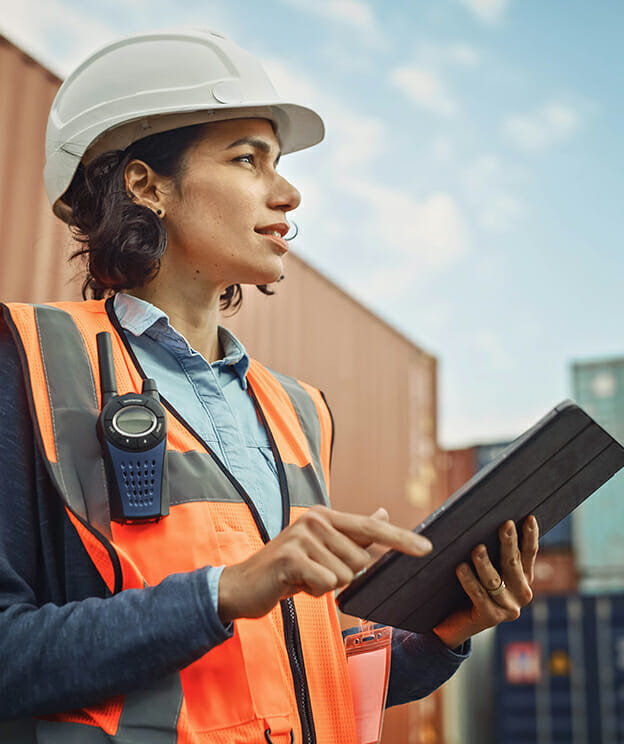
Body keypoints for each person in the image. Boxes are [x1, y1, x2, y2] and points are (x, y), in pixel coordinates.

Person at [0, 29, 538, 743]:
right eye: (247, 159)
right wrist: (223, 592)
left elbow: (295, 676)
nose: (288, 192)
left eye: (278, 164)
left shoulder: (299, 411)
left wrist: (440, 636)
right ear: (145, 184)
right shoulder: (26, 360)